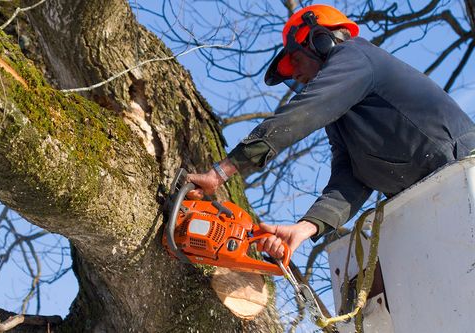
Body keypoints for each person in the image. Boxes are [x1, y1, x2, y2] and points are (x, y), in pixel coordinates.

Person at [187, 4, 475, 258]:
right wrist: (306, 227)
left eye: (296, 61)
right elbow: (350, 179)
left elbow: (302, 114)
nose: (297, 75)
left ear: (321, 41)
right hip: (433, 199)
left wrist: (222, 171)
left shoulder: (357, 56)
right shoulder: (344, 119)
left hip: (462, 170)